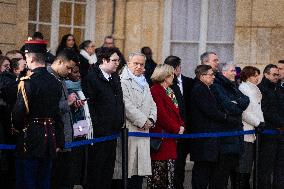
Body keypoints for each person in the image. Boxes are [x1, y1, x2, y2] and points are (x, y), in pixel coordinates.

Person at [12, 39, 64, 189]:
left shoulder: (27, 82)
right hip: (49, 140)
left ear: (32, 58)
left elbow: (19, 114)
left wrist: (16, 130)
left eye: (26, 58)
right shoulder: (55, 82)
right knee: (44, 181)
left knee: (26, 181)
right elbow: (57, 114)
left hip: (30, 139)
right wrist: (59, 140)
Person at [112, 52, 157, 189]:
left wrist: (151, 119)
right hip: (130, 130)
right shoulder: (121, 80)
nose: (138, 67)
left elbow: (152, 104)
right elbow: (126, 105)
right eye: (135, 63)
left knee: (139, 174)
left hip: (143, 132)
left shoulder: (144, 81)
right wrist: (143, 121)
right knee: (126, 171)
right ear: (128, 63)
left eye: (141, 64)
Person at [189, 65, 237, 189]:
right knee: (202, 172)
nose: (213, 77)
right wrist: (226, 117)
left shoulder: (207, 88)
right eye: (211, 74)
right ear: (202, 76)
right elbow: (210, 111)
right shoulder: (199, 89)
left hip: (209, 138)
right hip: (203, 137)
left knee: (207, 171)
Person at [83, 47, 124, 189]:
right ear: (103, 61)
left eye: (118, 60)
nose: (117, 63)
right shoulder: (92, 78)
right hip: (99, 134)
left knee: (108, 170)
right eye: (114, 60)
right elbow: (91, 106)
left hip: (113, 132)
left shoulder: (115, 77)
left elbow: (119, 101)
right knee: (96, 171)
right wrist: (99, 127)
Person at [47, 49, 83, 189]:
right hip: (54, 140)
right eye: (68, 68)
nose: (69, 72)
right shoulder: (48, 78)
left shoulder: (60, 78)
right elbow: (49, 108)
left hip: (65, 139)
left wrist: (72, 105)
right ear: (60, 62)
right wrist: (67, 103)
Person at [210, 62, 249, 188]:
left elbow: (246, 100)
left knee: (231, 173)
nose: (235, 73)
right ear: (224, 72)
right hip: (225, 137)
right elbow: (229, 107)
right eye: (232, 71)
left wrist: (236, 103)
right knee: (220, 175)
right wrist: (237, 105)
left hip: (235, 136)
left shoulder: (232, 86)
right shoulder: (217, 86)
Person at [147, 64, 184, 188]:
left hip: (170, 138)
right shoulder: (155, 90)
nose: (174, 76)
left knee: (169, 178)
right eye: (171, 74)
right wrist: (177, 128)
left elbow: (177, 111)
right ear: (165, 76)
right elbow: (161, 115)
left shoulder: (169, 91)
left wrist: (181, 125)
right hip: (161, 139)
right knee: (159, 178)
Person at [163, 55, 195, 189]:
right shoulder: (163, 84)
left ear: (177, 69)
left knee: (180, 162)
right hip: (169, 131)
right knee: (168, 163)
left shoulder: (189, 83)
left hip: (186, 130)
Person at [65, 64, 93, 188]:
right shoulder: (65, 88)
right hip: (73, 131)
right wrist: (72, 105)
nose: (78, 75)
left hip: (83, 129)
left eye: (79, 72)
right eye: (75, 72)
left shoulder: (81, 87)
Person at [257, 64, 284, 189]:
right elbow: (265, 111)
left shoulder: (278, 88)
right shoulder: (261, 89)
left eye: (278, 75)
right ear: (266, 74)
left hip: (280, 133)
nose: (276, 77)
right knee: (266, 168)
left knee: (280, 166)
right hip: (268, 134)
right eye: (274, 74)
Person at [237, 66, 264, 188]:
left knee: (249, 165)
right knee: (244, 166)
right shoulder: (244, 88)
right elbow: (244, 112)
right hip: (246, 131)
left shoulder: (254, 89)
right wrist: (258, 123)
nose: (257, 78)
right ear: (247, 76)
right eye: (254, 75)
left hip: (253, 131)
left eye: (258, 75)